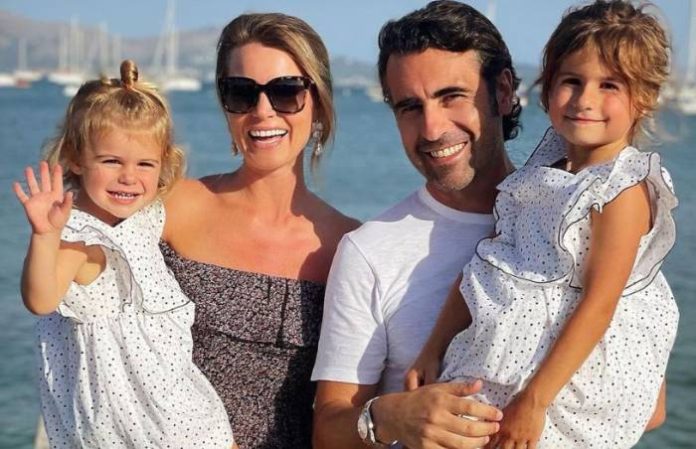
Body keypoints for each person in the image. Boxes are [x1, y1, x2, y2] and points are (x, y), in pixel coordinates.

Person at [408, 1, 678, 448]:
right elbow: (486, 265)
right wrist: (432, 348)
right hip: (500, 364)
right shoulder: (541, 172)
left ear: (643, 98)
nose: (585, 100)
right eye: (572, 81)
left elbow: (600, 303)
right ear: (548, 86)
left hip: (555, 389)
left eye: (609, 85)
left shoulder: (621, 190)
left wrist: (534, 401)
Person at [312, 2, 521, 448]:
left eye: (452, 96)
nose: (431, 129)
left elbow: (650, 405)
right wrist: (389, 418)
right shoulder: (370, 251)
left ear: (503, 92)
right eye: (410, 106)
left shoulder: (575, 222)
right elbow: (328, 432)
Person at [159, 12, 359, 449]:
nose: (262, 110)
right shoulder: (172, 209)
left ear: (319, 102)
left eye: (286, 91)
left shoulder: (351, 248)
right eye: (242, 92)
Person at [13, 60, 234, 448]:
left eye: (145, 164)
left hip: (189, 421)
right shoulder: (80, 242)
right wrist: (44, 236)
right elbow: (41, 298)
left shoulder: (145, 217)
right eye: (111, 161)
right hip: (123, 433)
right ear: (76, 158)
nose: (129, 177)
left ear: (162, 165)